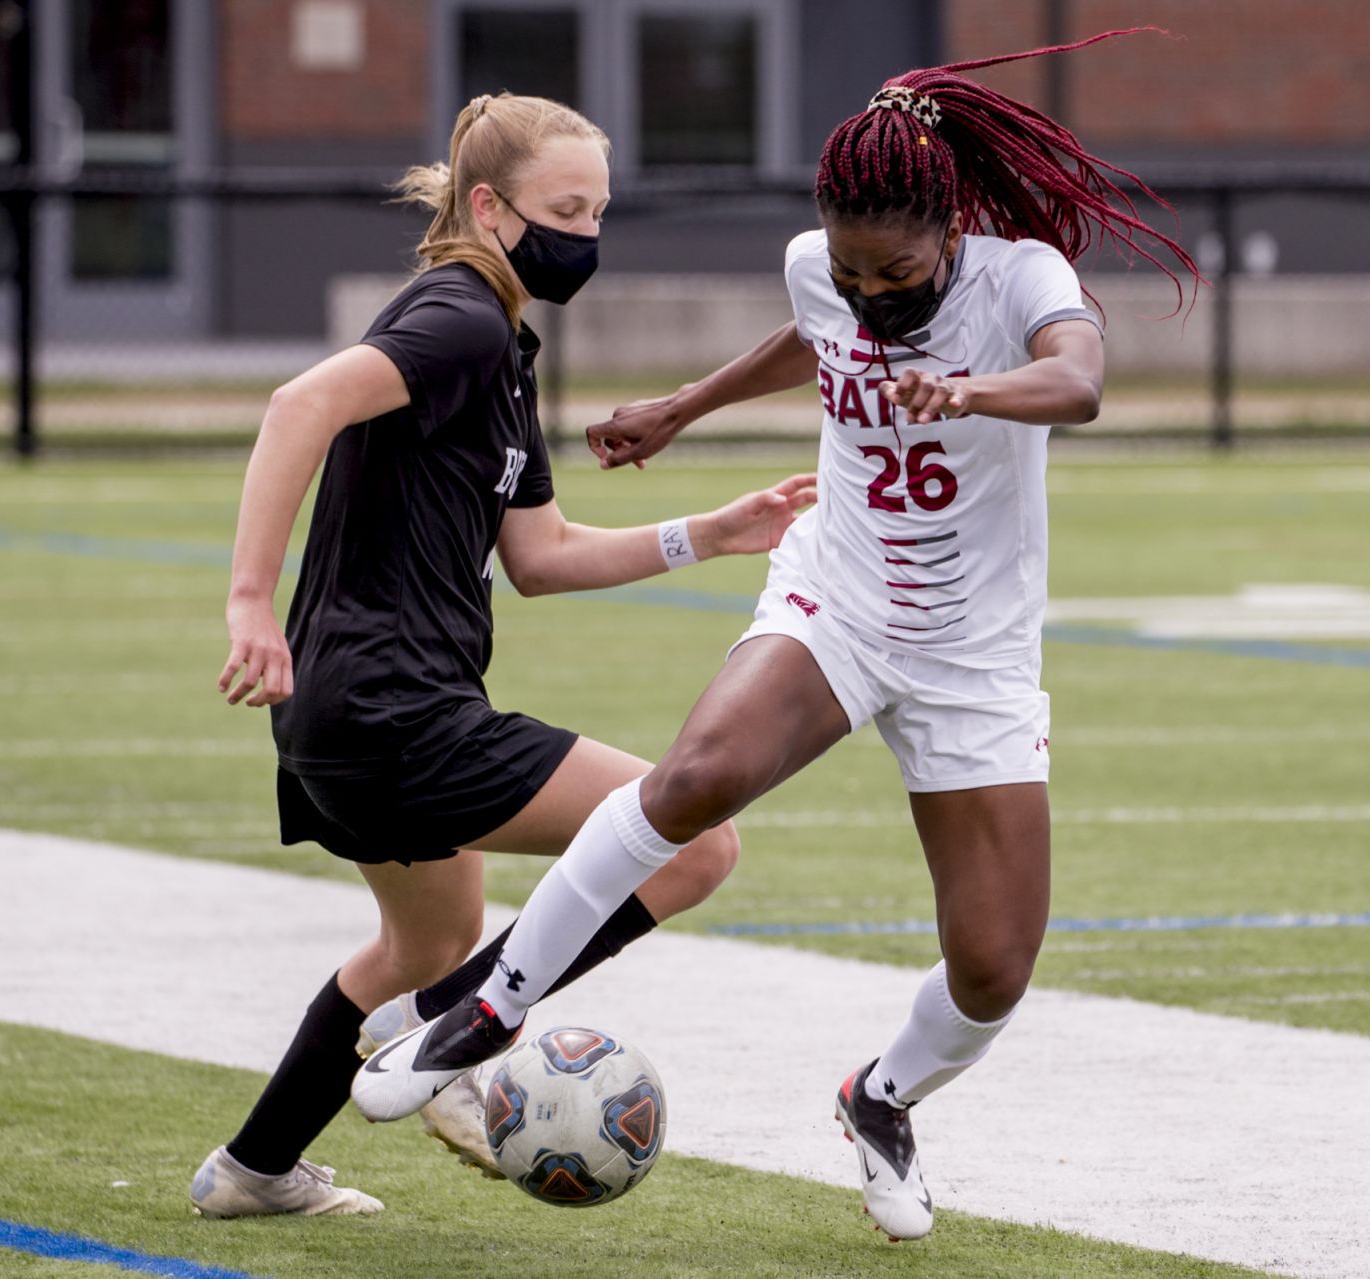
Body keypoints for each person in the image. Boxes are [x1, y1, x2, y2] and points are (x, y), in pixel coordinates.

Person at [350, 34, 1199, 1241]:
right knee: (693, 779)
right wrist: (685, 407)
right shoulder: (823, 265)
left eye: (894, 277)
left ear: (950, 228)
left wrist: (968, 390)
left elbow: (1079, 381)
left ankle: (879, 1098)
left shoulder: (1021, 282)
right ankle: (486, 1006)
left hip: (972, 654)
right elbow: (814, 331)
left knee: (993, 970)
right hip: (838, 600)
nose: (868, 295)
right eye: (851, 271)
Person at [188, 91, 815, 1219]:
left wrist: (709, 532)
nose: (587, 233)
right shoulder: (461, 319)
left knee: (426, 942)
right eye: (564, 208)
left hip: (347, 712)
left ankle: (252, 1168)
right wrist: (248, 601)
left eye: (600, 209)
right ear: (488, 208)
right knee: (694, 841)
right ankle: (453, 1036)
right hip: (392, 709)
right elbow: (298, 405)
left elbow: (541, 553)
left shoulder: (501, 348)